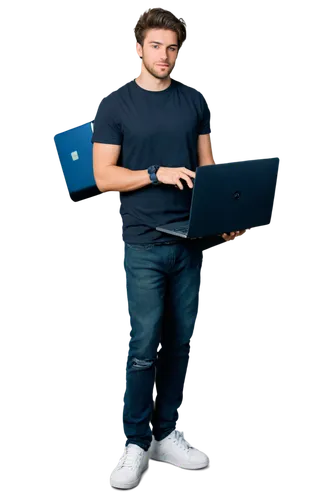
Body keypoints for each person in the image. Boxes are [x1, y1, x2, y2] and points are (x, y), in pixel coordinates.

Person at [92, 6, 247, 491]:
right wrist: (155, 173)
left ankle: (166, 433)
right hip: (143, 243)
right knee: (144, 346)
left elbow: (209, 169)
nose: (165, 55)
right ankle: (134, 443)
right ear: (138, 48)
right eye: (156, 46)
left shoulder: (195, 101)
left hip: (190, 239)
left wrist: (227, 218)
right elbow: (103, 178)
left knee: (180, 341)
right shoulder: (115, 107)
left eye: (173, 48)